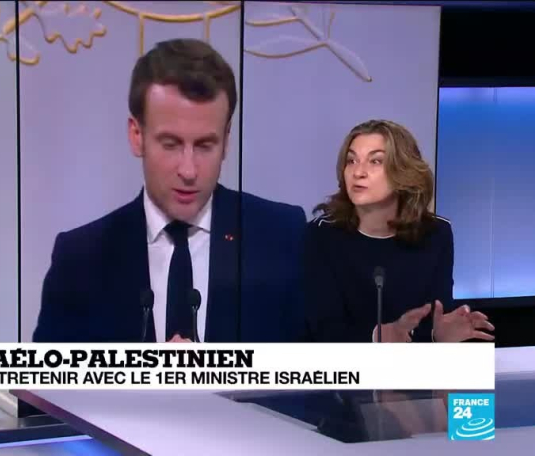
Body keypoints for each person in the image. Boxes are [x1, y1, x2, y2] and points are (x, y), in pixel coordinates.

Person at [32, 38, 307, 343]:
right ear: (137, 135)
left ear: (227, 139)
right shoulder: (80, 260)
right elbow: (48, 375)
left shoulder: (282, 237)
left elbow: (319, 370)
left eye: (205, 145)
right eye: (171, 144)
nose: (188, 171)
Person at [304, 119, 495, 343]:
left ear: (404, 172)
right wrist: (379, 336)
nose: (358, 172)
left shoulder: (436, 233)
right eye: (351, 160)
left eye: (375, 161)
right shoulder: (321, 235)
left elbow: (434, 318)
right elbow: (322, 331)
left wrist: (439, 335)